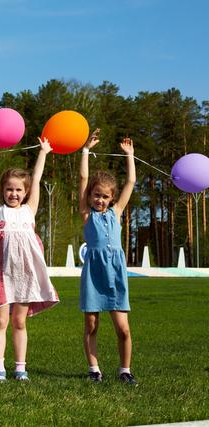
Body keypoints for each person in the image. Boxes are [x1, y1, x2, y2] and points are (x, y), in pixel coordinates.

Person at [0, 138, 59, 382]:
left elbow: (36, 179)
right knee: (1, 321)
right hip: (2, 275)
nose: (13, 193)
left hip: (24, 275)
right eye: (9, 189)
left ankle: (20, 368)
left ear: (24, 193)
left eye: (18, 190)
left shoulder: (29, 210)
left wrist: (44, 152)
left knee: (20, 322)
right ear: (3, 191)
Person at [79, 130, 137, 385]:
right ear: (90, 196)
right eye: (96, 195)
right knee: (91, 325)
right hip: (93, 272)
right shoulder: (86, 214)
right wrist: (84, 151)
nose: (100, 200)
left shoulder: (117, 212)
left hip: (115, 272)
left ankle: (125, 370)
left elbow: (131, 183)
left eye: (105, 196)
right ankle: (94, 369)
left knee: (123, 328)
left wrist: (130, 156)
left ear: (111, 198)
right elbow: (82, 177)